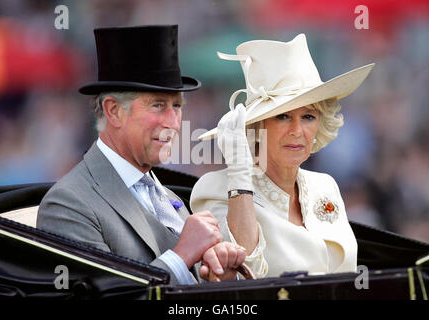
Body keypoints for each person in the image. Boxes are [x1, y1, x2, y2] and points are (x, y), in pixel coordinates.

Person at [37, 25, 246, 285]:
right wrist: (181, 256)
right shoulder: (68, 204)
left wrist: (216, 279)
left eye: (177, 106)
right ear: (113, 111)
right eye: (158, 105)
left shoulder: (167, 196)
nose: (173, 121)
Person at [190, 34, 374, 278]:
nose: (297, 131)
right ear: (257, 127)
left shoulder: (325, 186)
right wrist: (239, 173)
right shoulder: (214, 188)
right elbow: (243, 275)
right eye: (283, 116)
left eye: (308, 117)